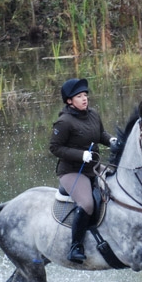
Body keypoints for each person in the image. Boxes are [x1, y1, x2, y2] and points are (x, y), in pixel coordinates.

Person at [49, 78, 114, 263]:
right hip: (72, 171)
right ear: (70, 101)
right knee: (86, 203)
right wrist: (80, 155)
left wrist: (111, 141)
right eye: (79, 96)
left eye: (85, 95)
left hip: (93, 167)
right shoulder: (64, 122)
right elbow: (54, 148)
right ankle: (75, 246)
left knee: (117, 185)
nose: (84, 99)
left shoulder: (92, 114)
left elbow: (100, 134)